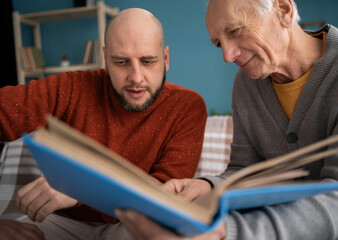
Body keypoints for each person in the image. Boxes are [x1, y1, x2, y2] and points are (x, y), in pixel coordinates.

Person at [117, 0, 338, 239]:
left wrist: (228, 233)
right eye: (218, 43)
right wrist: (209, 186)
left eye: (235, 31)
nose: (227, 55)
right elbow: (246, 171)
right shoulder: (246, 84)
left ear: (283, 11)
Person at [0, 8, 207, 240]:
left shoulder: (188, 106)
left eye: (148, 61)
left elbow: (164, 192)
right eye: (120, 62)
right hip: (61, 220)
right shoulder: (70, 88)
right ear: (105, 58)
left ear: (166, 58)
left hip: (134, 221)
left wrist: (80, 188)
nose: (136, 77)